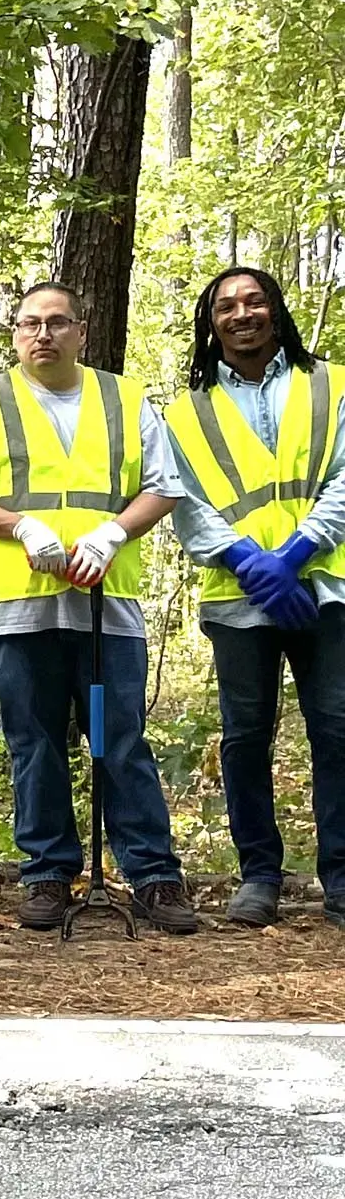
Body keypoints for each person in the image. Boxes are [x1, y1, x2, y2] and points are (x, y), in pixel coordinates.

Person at [0, 281, 197, 933]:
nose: (43, 334)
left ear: (81, 330)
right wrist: (21, 526)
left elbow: (165, 487)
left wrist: (112, 533)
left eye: (57, 323)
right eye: (29, 324)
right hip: (19, 608)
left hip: (109, 604)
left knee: (121, 738)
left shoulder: (125, 399)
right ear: (15, 335)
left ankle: (154, 876)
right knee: (35, 742)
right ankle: (48, 873)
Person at [164, 268, 345, 930]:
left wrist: (295, 557)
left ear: (275, 309)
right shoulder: (187, 412)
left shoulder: (332, 383)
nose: (242, 314)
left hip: (326, 591)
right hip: (239, 600)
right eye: (226, 306)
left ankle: (342, 878)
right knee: (245, 735)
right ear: (210, 322)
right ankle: (259, 876)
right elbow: (183, 502)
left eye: (254, 301)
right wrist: (250, 563)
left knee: (338, 729)